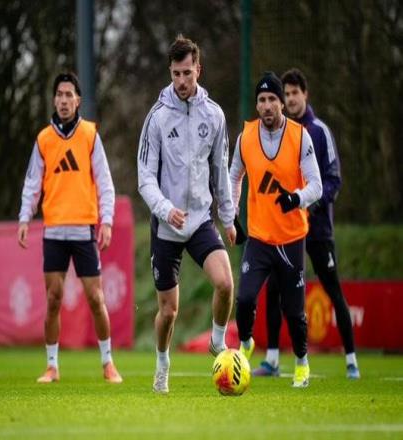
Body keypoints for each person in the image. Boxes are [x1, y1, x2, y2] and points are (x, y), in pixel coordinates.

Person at [137, 35, 237, 394]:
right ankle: (162, 365)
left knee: (225, 283)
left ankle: (217, 342)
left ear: (199, 70)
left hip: (199, 220)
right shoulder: (157, 118)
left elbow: (221, 170)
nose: (182, 80)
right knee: (169, 312)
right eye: (176, 73)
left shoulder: (214, 115)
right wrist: (165, 209)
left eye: (187, 73)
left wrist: (228, 217)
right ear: (170, 71)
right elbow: (144, 178)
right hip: (167, 226)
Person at [253, 68, 360, 380]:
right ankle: (272, 360)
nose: (290, 99)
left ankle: (351, 360)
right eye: (286, 94)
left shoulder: (319, 131)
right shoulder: (278, 133)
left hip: (317, 230)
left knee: (332, 290)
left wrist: (308, 205)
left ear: (305, 95)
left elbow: (333, 180)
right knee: (274, 289)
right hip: (285, 231)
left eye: (294, 93)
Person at [17, 72, 122, 384]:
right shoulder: (44, 139)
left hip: (83, 230)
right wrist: (24, 218)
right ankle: (52, 366)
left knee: (96, 298)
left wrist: (107, 221)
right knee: (53, 299)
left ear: (78, 100)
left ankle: (108, 363)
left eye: (69, 95)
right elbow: (32, 184)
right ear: (54, 100)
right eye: (59, 95)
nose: (63, 100)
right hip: (54, 231)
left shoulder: (90, 135)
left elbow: (105, 182)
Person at [229, 71, 322, 388]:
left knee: (294, 313)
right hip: (259, 238)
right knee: (244, 299)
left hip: (291, 239)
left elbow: (317, 186)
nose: (267, 105)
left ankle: (301, 363)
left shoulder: (300, 136)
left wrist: (296, 198)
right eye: (261, 100)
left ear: (282, 103)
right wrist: (231, 215)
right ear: (257, 104)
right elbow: (234, 176)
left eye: (272, 99)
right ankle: (246, 343)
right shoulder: (245, 137)